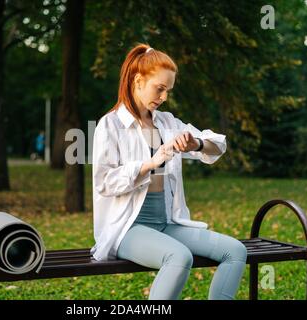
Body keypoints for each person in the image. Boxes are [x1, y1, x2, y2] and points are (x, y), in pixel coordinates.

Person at [90, 44, 247, 300]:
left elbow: (217, 143)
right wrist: (150, 163)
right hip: (127, 230)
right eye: (159, 88)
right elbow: (104, 182)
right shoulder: (111, 125)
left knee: (235, 251)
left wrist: (195, 143)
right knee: (178, 256)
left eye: (168, 91)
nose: (163, 97)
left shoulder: (166, 122)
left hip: (166, 224)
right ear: (138, 81)